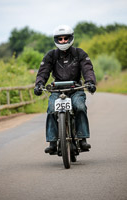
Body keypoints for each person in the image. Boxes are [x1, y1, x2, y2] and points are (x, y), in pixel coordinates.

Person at [34, 25, 96, 154]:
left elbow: (88, 69)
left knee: (79, 106)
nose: (63, 41)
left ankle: (82, 139)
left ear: (71, 38)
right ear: (56, 40)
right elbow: (43, 72)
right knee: (51, 109)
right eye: (60, 39)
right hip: (57, 90)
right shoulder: (51, 55)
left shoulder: (80, 53)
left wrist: (90, 82)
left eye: (65, 38)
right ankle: (52, 142)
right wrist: (39, 84)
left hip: (76, 89)